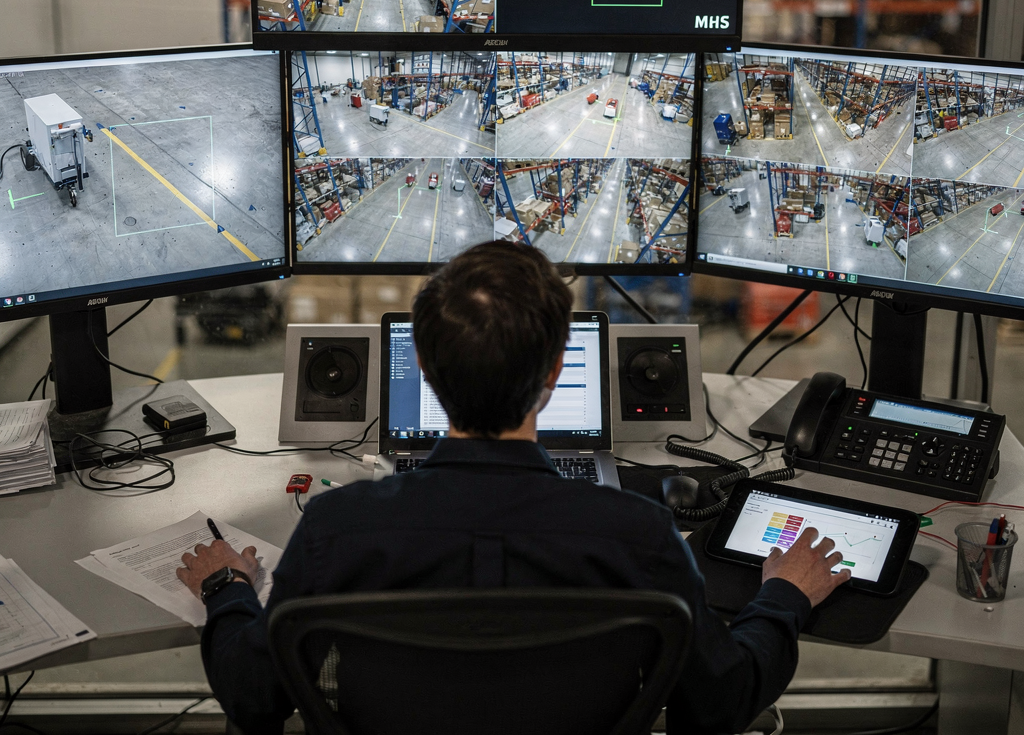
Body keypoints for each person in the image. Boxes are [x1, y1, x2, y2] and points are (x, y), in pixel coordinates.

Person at [178, 242, 849, 734]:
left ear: (425, 371)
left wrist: (226, 588)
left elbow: (252, 696)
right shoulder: (637, 533)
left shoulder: (336, 527)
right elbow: (722, 704)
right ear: (556, 373)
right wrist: (783, 597)